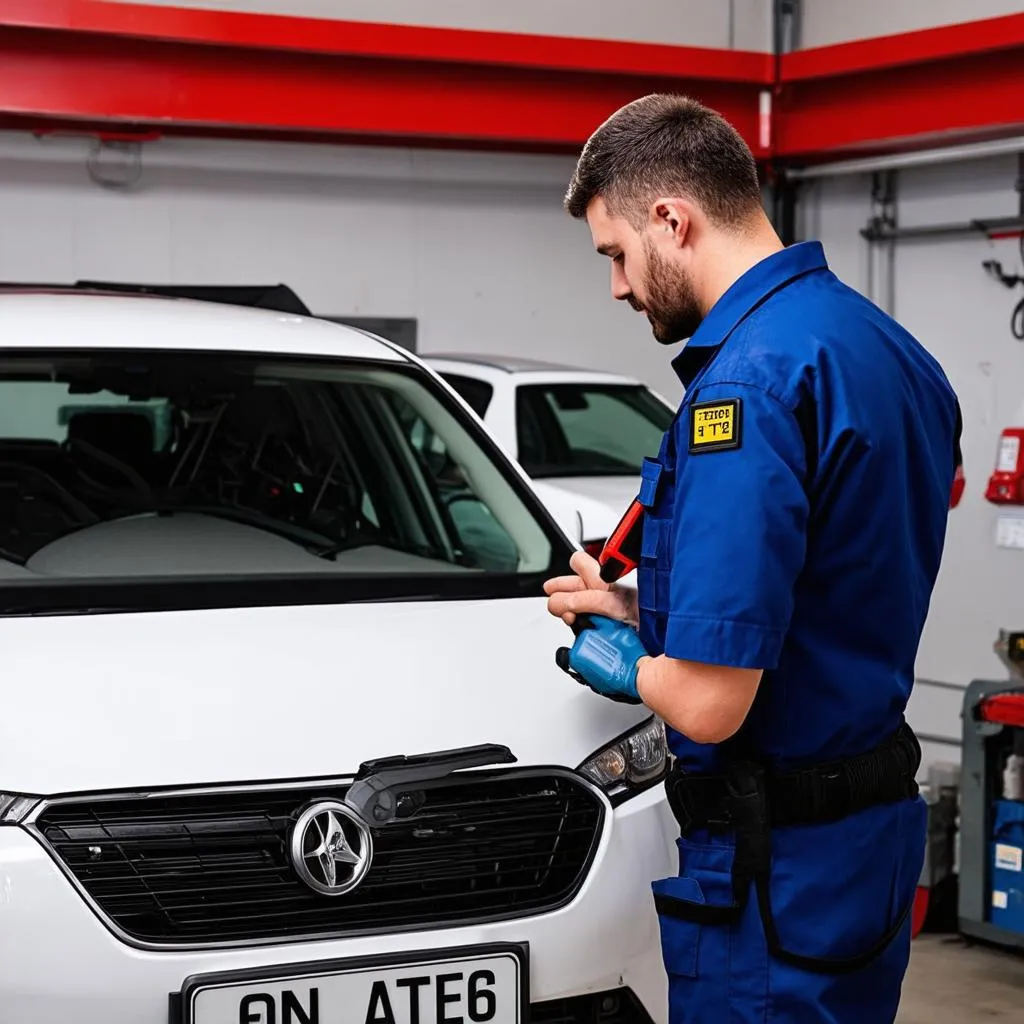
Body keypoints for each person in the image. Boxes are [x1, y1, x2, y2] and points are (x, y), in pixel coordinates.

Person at [543, 94, 961, 1024]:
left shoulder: (743, 387)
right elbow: (833, 574)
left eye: (615, 253)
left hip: (777, 879)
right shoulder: (888, 350)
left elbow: (707, 702)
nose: (616, 285)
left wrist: (626, 662)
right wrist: (639, 607)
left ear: (671, 218)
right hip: (868, 844)